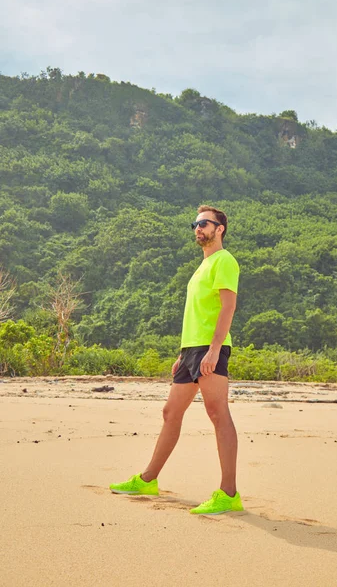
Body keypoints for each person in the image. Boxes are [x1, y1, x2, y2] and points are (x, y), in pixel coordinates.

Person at [110, 205, 243, 515]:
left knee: (217, 412)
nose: (198, 228)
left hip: (211, 349)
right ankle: (147, 480)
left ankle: (229, 494)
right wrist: (182, 354)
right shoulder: (202, 266)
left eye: (204, 224)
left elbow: (227, 308)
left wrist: (213, 349)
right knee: (171, 412)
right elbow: (196, 313)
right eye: (195, 224)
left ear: (219, 229)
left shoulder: (224, 261)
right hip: (190, 351)